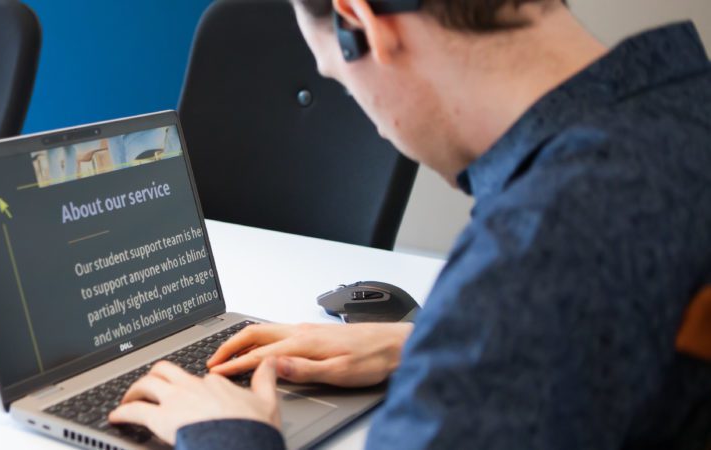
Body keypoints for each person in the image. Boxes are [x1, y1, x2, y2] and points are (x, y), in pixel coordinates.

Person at [107, 0, 711, 448]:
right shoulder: (688, 106)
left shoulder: (538, 244)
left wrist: (229, 437)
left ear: (358, 22)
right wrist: (427, 342)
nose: (376, 126)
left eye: (339, 84)